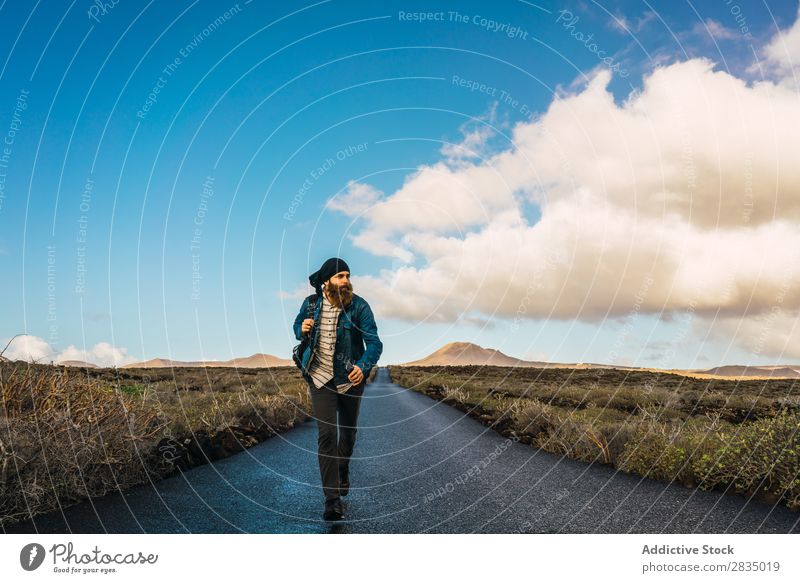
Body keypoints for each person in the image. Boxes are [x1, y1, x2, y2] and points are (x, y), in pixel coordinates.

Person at [292, 257, 383, 521]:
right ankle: (332, 501)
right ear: (326, 281)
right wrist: (302, 328)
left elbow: (375, 343)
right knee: (327, 435)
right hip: (320, 378)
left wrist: (363, 366)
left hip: (349, 380)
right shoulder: (310, 305)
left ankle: (342, 468)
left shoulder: (359, 306)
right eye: (340, 276)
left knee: (349, 434)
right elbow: (297, 326)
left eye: (348, 275)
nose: (346, 280)